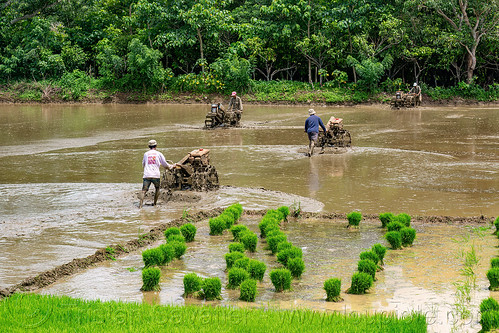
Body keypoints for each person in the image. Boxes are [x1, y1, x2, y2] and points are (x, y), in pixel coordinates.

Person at [139, 139, 175, 208]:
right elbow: (165, 164)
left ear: (149, 146)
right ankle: (155, 203)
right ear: (156, 146)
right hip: (155, 175)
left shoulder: (146, 154)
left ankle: (140, 206)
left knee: (143, 191)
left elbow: (143, 164)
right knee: (157, 189)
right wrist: (171, 167)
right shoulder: (159, 154)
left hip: (147, 175)